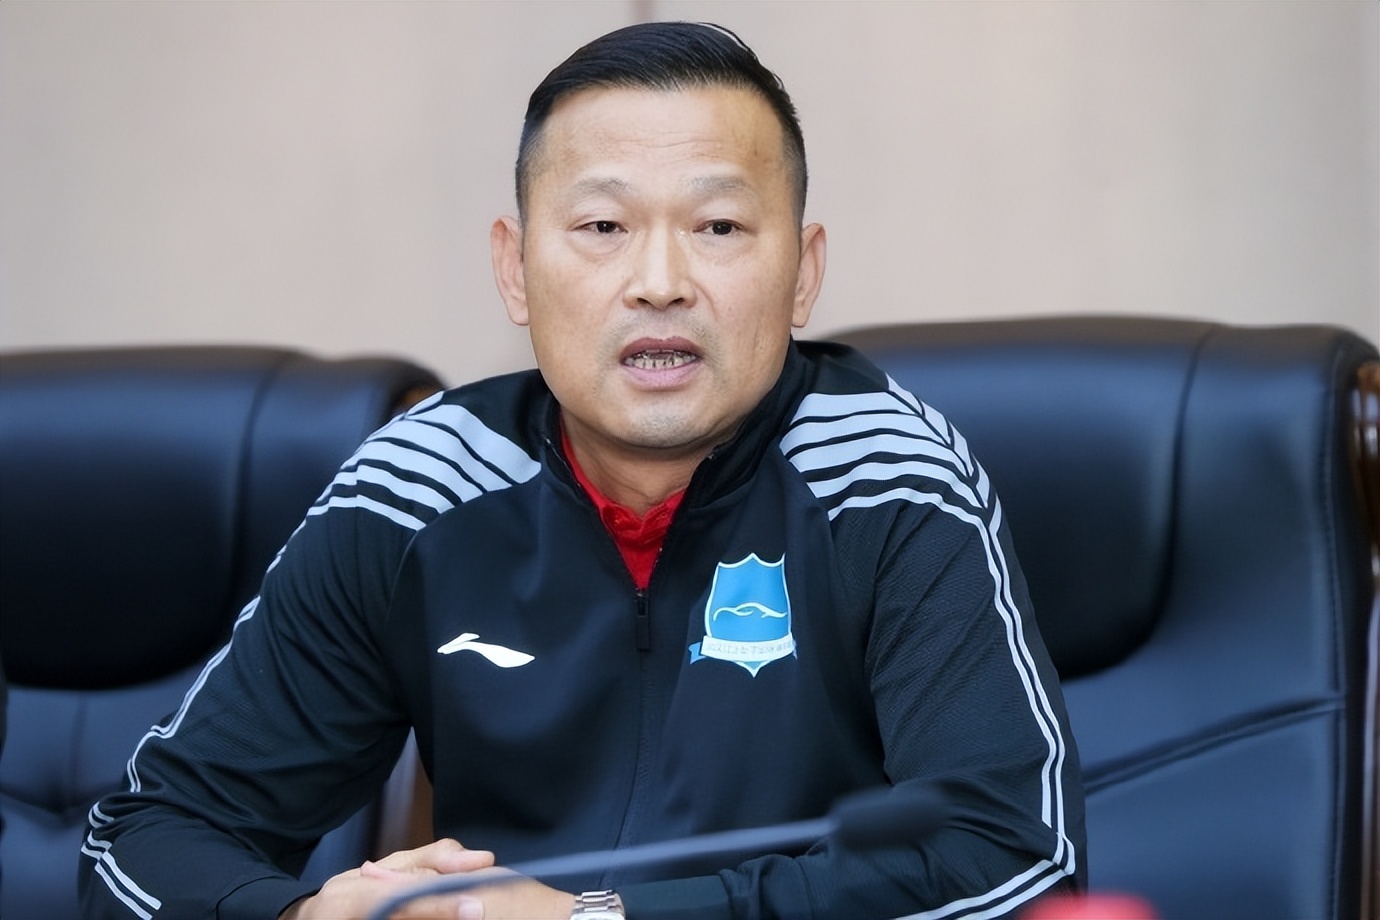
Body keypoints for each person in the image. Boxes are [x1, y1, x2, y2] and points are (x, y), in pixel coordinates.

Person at [79, 21, 1085, 920]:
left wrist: (593, 919)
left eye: (719, 227)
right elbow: (146, 838)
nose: (659, 283)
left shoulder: (884, 479)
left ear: (803, 273)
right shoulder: (423, 484)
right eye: (603, 228)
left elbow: (1017, 867)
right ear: (514, 269)